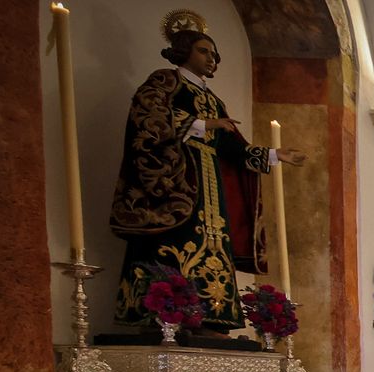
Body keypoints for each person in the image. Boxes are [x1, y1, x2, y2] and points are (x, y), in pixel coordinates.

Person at [110, 22, 306, 331]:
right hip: (175, 183)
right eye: (204, 51)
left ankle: (212, 317)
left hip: (211, 184)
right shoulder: (165, 81)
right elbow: (148, 118)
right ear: (183, 49)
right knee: (175, 242)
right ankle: (167, 314)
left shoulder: (214, 100)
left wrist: (274, 155)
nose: (211, 58)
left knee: (213, 242)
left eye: (215, 54)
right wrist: (204, 125)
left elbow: (232, 148)